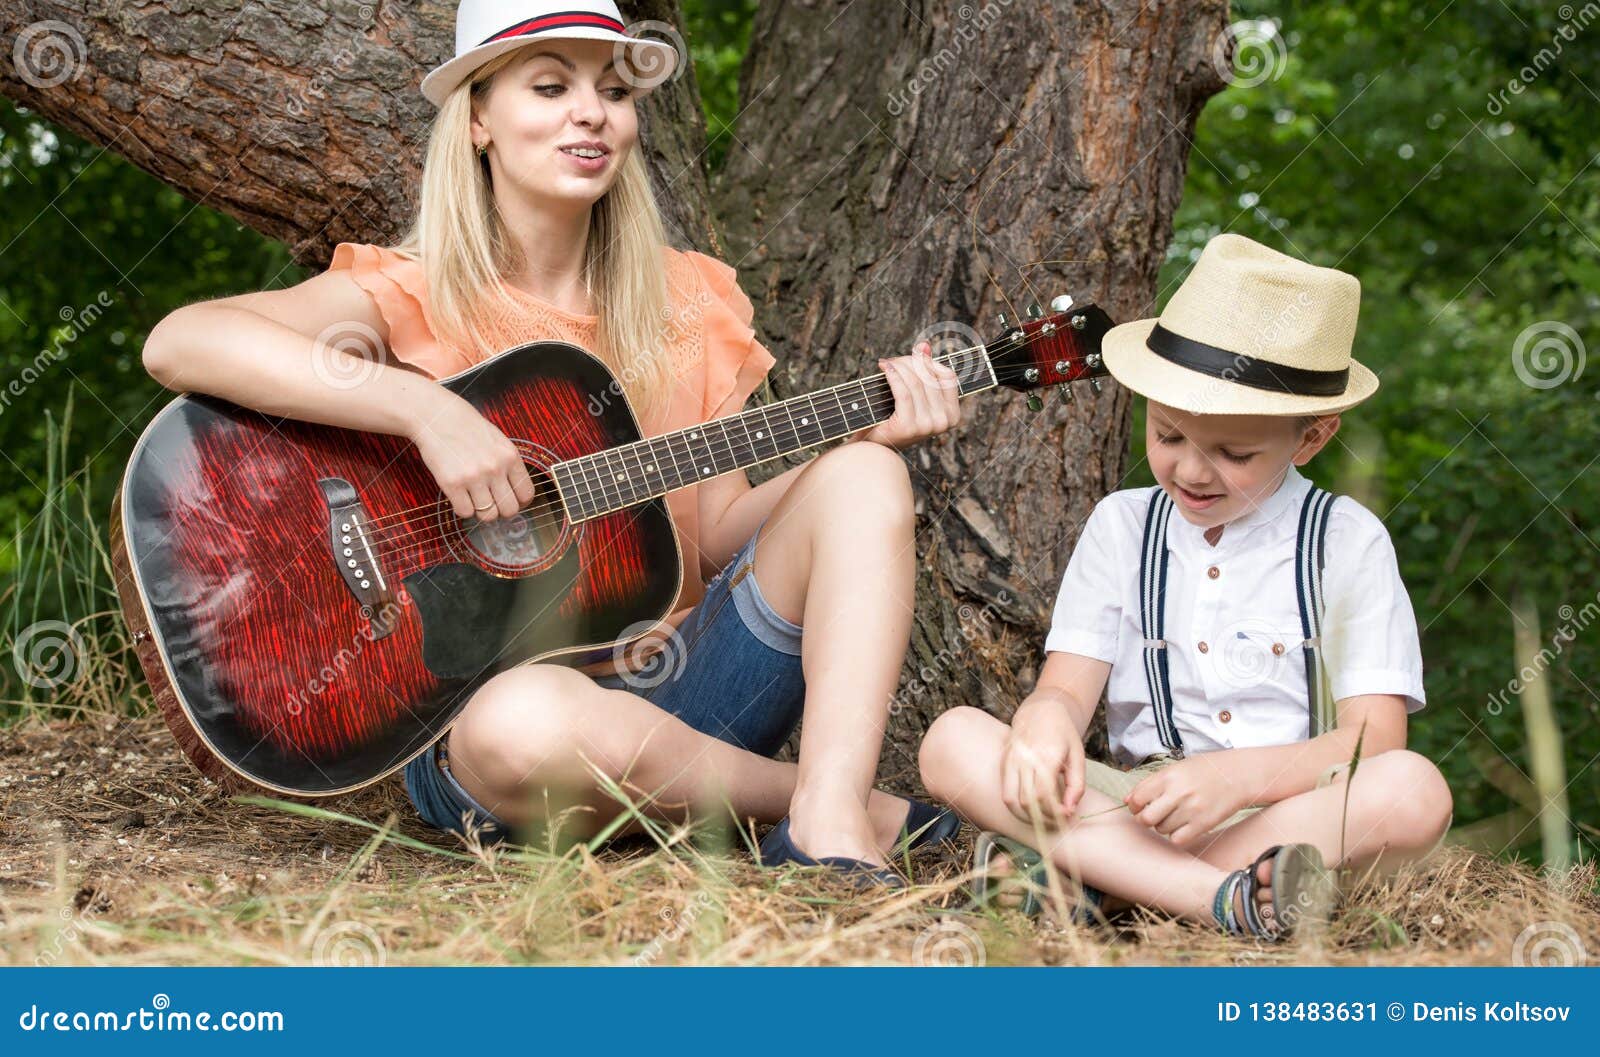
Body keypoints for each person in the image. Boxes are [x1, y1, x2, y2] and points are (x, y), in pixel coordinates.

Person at [141, 0, 961, 883]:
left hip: (690, 690)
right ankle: (832, 798)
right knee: (520, 719)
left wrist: (841, 450)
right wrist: (427, 414)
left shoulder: (690, 305)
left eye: (613, 90)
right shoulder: (409, 294)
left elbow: (715, 537)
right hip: (504, 738)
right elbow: (181, 341)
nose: (591, 111)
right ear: (480, 120)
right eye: (549, 85)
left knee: (866, 473)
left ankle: (829, 824)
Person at [918, 234, 1454, 938]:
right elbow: (1066, 687)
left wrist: (1238, 780)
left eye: (1233, 454)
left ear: (1313, 437)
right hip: (1136, 807)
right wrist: (1045, 719)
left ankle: (1104, 886)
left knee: (1414, 788)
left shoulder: (1347, 540)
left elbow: (1372, 740)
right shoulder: (1122, 525)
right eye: (1169, 436)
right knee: (953, 740)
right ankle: (1220, 900)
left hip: (1287, 816)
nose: (1193, 473)